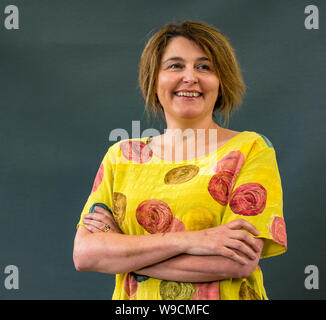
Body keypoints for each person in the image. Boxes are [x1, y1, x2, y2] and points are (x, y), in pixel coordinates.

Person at [73, 20, 287, 300]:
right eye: (175, 66)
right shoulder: (122, 156)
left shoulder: (251, 149)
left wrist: (124, 253)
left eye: (204, 67)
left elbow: (238, 262)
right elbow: (86, 254)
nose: (190, 77)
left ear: (221, 81)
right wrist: (195, 240)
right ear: (154, 79)